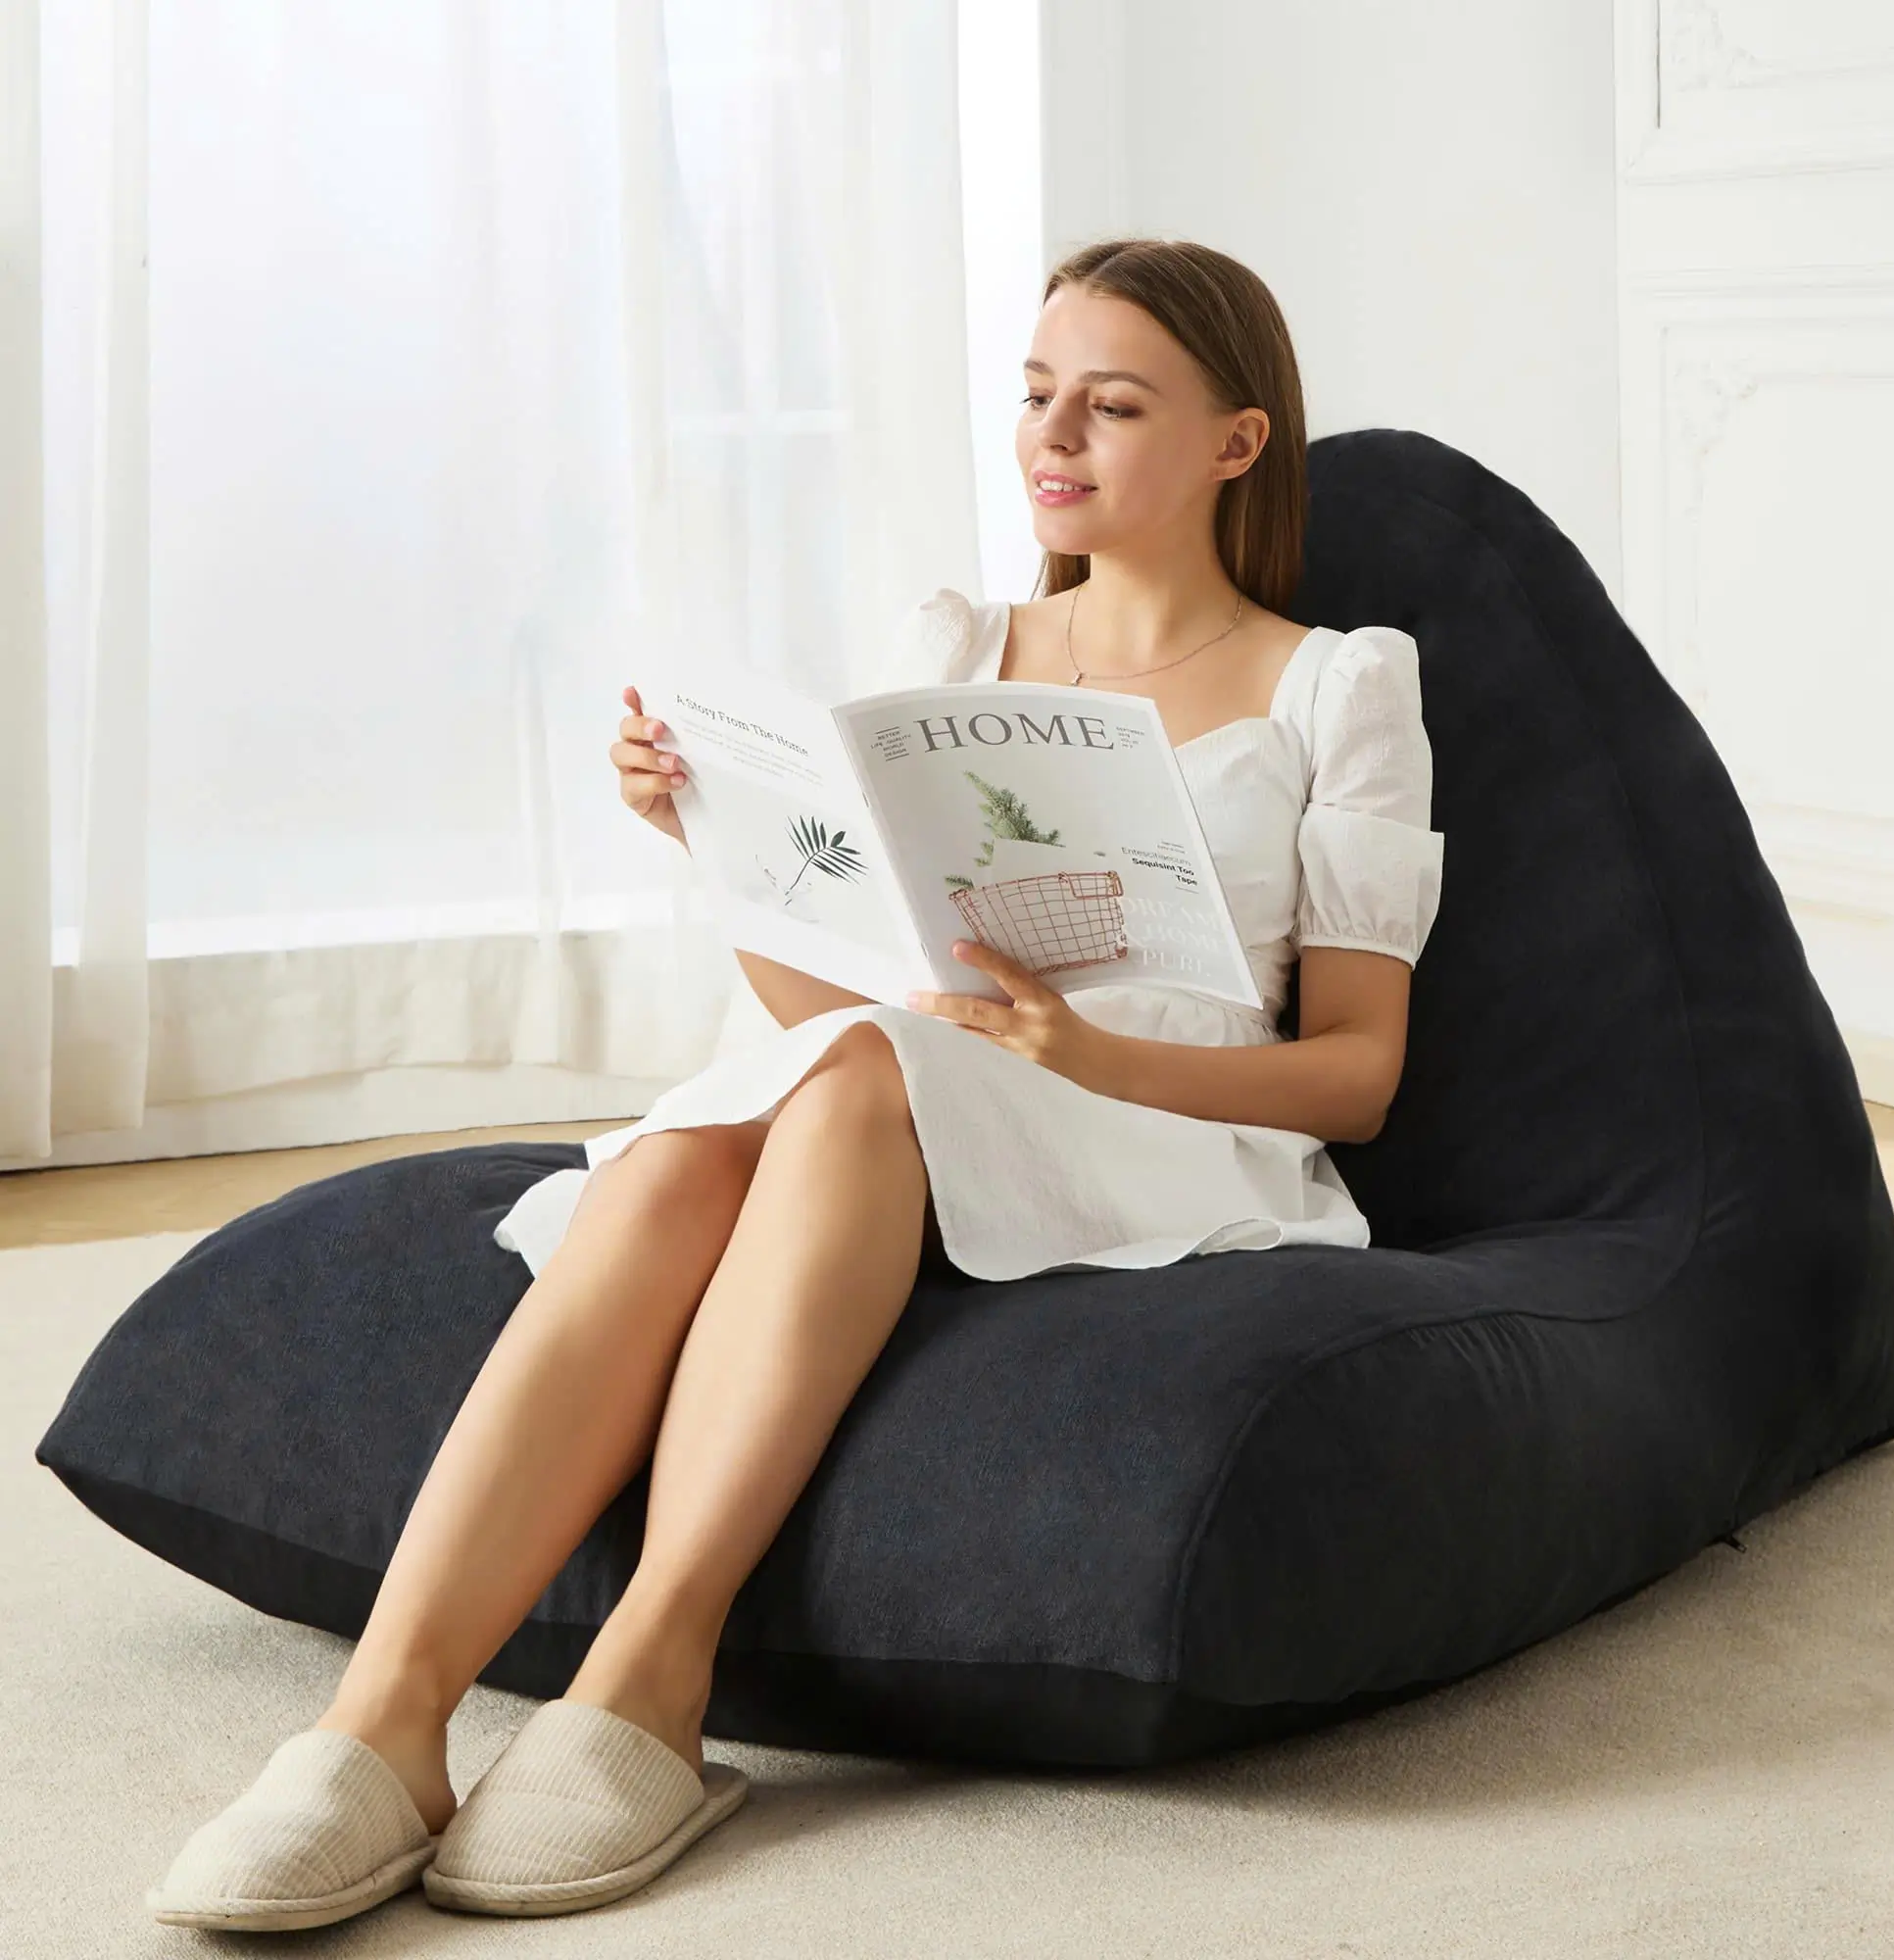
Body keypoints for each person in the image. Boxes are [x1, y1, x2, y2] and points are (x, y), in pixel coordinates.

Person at [147, 236, 1444, 1932]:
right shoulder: (958, 646)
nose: (1054, 437)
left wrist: (1085, 1053)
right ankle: (380, 1723)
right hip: (904, 1090)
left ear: (1236, 443)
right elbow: (837, 999)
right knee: (702, 1147)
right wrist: (722, 842)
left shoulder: (1339, 682)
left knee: (848, 1085)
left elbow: (1357, 1080)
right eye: (1037, 394)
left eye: (1114, 406)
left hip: (1166, 1132)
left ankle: (649, 1675)